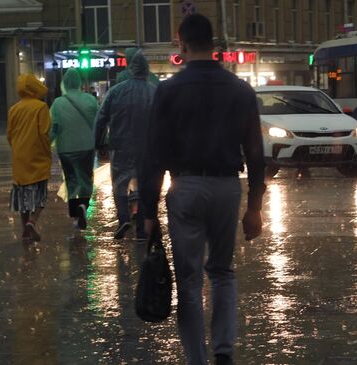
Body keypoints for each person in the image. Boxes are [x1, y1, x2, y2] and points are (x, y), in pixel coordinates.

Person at [140, 14, 266, 365]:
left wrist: (148, 212)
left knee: (190, 280)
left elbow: (153, 155)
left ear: (182, 42)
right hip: (227, 187)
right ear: (214, 44)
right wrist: (254, 206)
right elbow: (256, 153)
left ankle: (196, 357)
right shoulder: (241, 91)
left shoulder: (168, 90)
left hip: (187, 188)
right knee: (223, 272)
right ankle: (223, 350)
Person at [94, 48, 156, 240]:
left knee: (120, 185)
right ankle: (141, 229)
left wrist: (99, 143)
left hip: (120, 145)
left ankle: (123, 218)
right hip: (147, 148)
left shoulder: (115, 91)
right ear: (146, 70)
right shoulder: (155, 91)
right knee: (144, 186)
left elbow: (100, 119)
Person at [49, 68, 99, 230]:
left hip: (66, 148)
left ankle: (75, 212)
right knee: (85, 178)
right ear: (79, 83)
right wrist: (102, 142)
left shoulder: (58, 103)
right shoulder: (90, 100)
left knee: (71, 179)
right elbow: (98, 123)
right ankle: (83, 205)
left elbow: (54, 128)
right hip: (86, 146)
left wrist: (46, 144)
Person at [7, 74, 51, 244]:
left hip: (20, 158)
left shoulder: (13, 109)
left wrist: (17, 149)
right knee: (40, 195)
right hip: (37, 157)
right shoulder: (41, 108)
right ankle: (33, 221)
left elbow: (10, 135)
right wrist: (47, 153)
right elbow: (44, 133)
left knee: (22, 196)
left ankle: (25, 230)